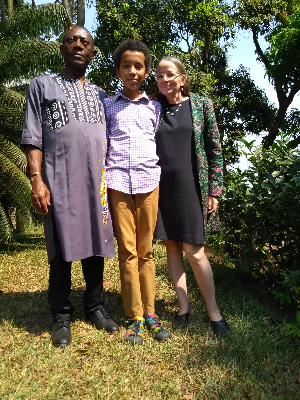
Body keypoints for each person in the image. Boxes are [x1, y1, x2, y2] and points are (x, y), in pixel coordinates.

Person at [21, 26, 119, 348]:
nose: (78, 45)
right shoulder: (42, 85)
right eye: (72, 41)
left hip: (97, 180)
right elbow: (33, 136)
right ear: (62, 49)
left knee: (96, 240)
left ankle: (95, 306)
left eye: (85, 43)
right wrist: (37, 179)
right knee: (61, 246)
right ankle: (61, 315)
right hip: (59, 177)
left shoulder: (103, 95)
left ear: (92, 53)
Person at [154, 56, 229, 337]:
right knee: (171, 248)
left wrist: (215, 190)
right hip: (160, 189)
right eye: (160, 75)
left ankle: (214, 313)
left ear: (182, 78)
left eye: (170, 74)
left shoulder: (201, 105)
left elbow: (215, 150)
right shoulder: (153, 107)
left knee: (194, 252)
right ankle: (183, 308)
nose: (164, 79)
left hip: (191, 187)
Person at [104, 39, 171, 345]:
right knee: (127, 251)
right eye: (127, 66)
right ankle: (134, 317)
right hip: (117, 184)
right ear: (118, 70)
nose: (133, 71)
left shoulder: (155, 107)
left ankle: (151, 314)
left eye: (139, 66)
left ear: (146, 71)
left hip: (148, 184)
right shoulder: (107, 106)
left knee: (146, 251)